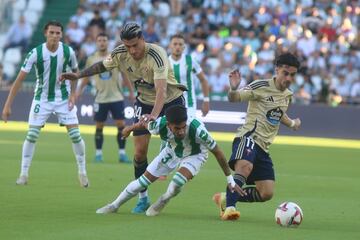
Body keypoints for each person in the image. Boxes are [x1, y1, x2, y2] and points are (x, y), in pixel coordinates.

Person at [60, 22, 187, 213]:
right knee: (138, 153)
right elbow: (101, 66)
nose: (132, 50)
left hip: (171, 101)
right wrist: (78, 76)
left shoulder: (157, 54)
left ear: (143, 39)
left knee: (184, 146)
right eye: (128, 46)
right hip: (144, 102)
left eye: (135, 45)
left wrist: (152, 117)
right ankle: (143, 198)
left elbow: (161, 91)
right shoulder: (120, 53)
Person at [95, 104, 245, 216]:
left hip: (195, 154)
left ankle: (164, 199)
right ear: (168, 125)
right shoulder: (159, 125)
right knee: (141, 182)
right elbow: (144, 122)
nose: (181, 131)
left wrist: (230, 179)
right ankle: (114, 206)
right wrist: (130, 128)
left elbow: (218, 152)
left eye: (183, 127)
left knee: (177, 182)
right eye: (176, 128)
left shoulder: (198, 130)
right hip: (172, 151)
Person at [213, 52, 302, 220]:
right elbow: (235, 98)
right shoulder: (260, 85)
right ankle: (230, 208)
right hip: (248, 137)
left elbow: (278, 113)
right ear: (277, 70)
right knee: (244, 167)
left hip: (264, 148)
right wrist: (233, 88)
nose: (289, 78)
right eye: (285, 73)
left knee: (266, 193)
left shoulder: (288, 95)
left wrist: (292, 124)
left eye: (292, 75)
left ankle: (225, 198)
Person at [1, 21, 89, 187]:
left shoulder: (68, 51)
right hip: (42, 98)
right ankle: (23, 174)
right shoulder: (36, 53)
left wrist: (72, 95)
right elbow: (19, 80)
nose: (55, 36)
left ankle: (82, 172)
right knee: (32, 135)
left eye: (58, 33)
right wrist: (7, 105)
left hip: (63, 98)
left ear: (61, 35)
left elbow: (75, 74)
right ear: (45, 33)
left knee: (76, 135)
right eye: (52, 32)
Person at [76, 33, 134, 163]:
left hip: (116, 97)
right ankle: (98, 154)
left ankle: (122, 154)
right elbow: (86, 77)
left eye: (104, 40)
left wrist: (131, 92)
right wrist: (79, 91)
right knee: (99, 126)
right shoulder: (91, 59)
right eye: (100, 40)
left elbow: (125, 76)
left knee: (121, 125)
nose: (102, 42)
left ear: (108, 42)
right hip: (100, 98)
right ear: (96, 43)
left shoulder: (115, 57)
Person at [168, 34, 210, 119]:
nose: (178, 47)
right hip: (170, 103)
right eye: (175, 44)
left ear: (184, 47)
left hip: (189, 103)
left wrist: (206, 100)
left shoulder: (190, 60)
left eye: (180, 44)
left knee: (188, 130)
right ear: (170, 46)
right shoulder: (165, 62)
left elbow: (203, 80)